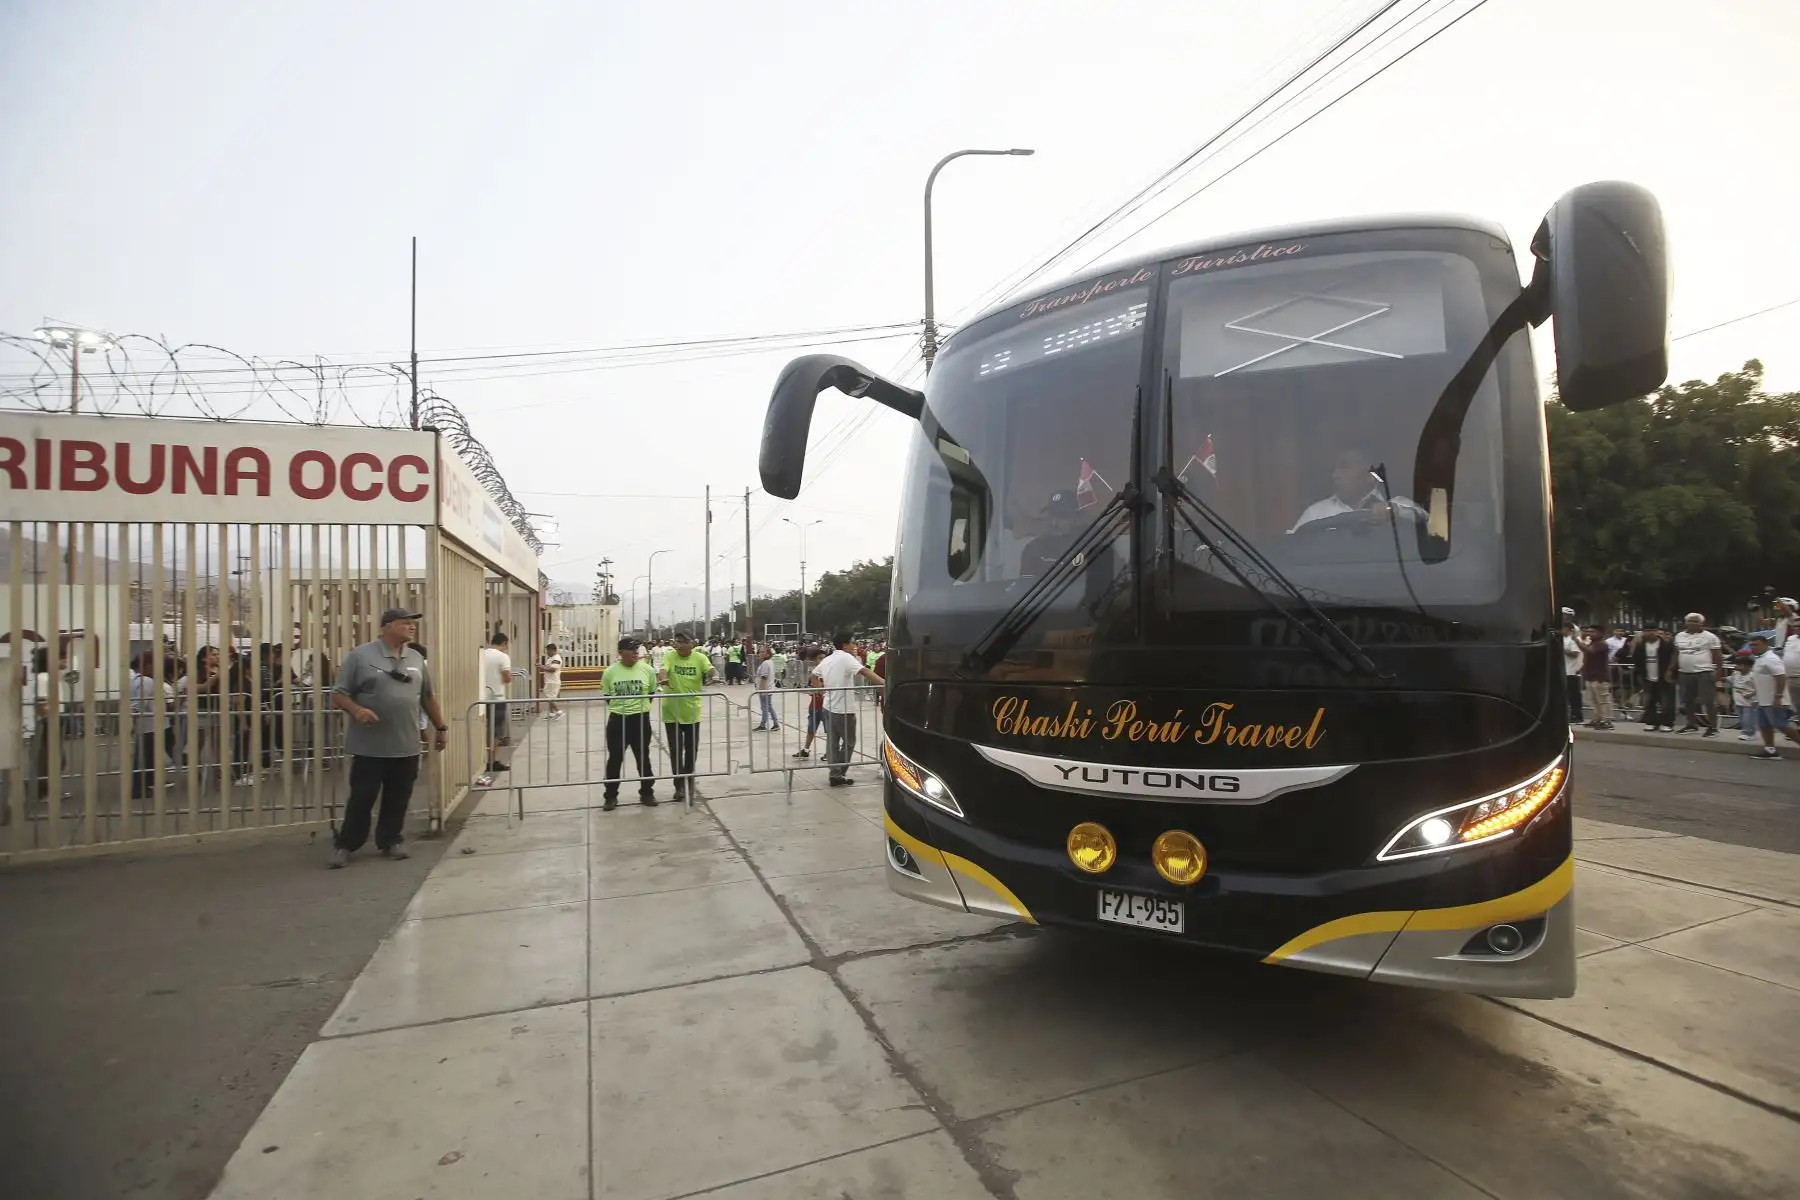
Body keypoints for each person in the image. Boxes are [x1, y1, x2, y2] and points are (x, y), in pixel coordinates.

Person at [327, 607, 448, 867]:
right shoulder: (360, 656)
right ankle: (346, 844)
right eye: (406, 623)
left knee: (399, 797)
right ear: (388, 626)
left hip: (406, 745)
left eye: (413, 623)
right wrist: (357, 710)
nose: (412, 627)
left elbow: (427, 696)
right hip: (370, 747)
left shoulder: (415, 658)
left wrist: (441, 728)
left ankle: (391, 839)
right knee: (362, 797)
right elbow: (338, 694)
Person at [1289, 449, 1424, 534]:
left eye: (1345, 467)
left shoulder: (1397, 504)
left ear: (1370, 476)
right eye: (1334, 469)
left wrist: (1396, 512)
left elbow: (1426, 522)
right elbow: (1292, 545)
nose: (1335, 475)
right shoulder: (1316, 512)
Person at [813, 630, 883, 785]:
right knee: (849, 742)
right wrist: (885, 683)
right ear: (844, 644)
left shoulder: (828, 659)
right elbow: (864, 671)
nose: (855, 645)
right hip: (843, 709)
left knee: (832, 742)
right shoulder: (846, 658)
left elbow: (813, 675)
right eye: (853, 642)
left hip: (828, 706)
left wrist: (819, 690)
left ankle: (834, 773)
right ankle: (838, 774)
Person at [600, 637, 658, 810]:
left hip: (640, 719)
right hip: (618, 720)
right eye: (631, 649)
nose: (635, 653)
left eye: (637, 649)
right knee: (615, 759)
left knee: (643, 757)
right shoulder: (610, 672)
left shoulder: (647, 670)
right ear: (620, 653)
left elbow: (651, 692)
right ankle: (610, 796)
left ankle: (647, 792)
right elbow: (608, 696)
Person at [658, 631, 717, 800]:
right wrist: (663, 678)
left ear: (692, 643)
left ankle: (689, 781)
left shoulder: (699, 657)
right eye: (677, 642)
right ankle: (679, 786)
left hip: (692, 711)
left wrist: (716, 675)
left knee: (691, 750)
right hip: (671, 712)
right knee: (675, 751)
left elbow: (710, 669)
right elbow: (663, 669)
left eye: (683, 642)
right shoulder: (670, 656)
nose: (679, 645)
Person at [128, 652, 174, 800]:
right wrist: (133, 723)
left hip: (150, 725)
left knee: (147, 758)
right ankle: (139, 789)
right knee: (144, 759)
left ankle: (146, 785)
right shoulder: (145, 682)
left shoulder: (140, 680)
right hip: (150, 726)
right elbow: (138, 704)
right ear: (148, 665)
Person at [1745, 633, 1793, 760]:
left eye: (1756, 645)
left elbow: (1781, 677)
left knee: (1782, 725)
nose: (1753, 647)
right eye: (1751, 645)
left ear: (1765, 644)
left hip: (1774, 700)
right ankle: (1770, 749)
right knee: (1764, 725)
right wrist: (1753, 693)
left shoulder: (1771, 659)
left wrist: (1778, 697)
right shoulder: (1759, 658)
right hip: (1763, 700)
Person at [1673, 613, 1723, 738]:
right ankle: (1691, 725)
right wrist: (1671, 669)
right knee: (1688, 700)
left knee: (1708, 701)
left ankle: (1713, 727)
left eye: (1695, 621)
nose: (1692, 623)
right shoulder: (1679, 636)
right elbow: (1676, 654)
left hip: (1704, 672)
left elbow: (1717, 656)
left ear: (1702, 623)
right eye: (1690, 621)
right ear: (1685, 623)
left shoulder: (1710, 637)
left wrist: (1718, 671)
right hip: (1685, 672)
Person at [480, 631, 514, 774]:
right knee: (496, 732)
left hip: (482, 699)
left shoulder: (482, 655)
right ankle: (492, 761)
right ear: (504, 643)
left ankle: (481, 761)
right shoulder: (503, 657)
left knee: (483, 730)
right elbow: (507, 678)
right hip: (497, 698)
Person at [1633, 625, 1676, 731]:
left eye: (1653, 631)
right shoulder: (1640, 646)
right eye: (1647, 631)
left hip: (1663, 677)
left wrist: (1670, 671)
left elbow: (1674, 658)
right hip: (1648, 677)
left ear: (1657, 632)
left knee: (1666, 701)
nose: (1650, 633)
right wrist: (1639, 676)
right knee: (1649, 701)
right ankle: (1651, 721)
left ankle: (1667, 723)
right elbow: (1637, 662)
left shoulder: (1666, 645)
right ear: (1643, 632)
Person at [1579, 624, 1614, 730]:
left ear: (1600, 633)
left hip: (1600, 676)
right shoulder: (1591, 643)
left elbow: (1590, 651)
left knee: (1603, 699)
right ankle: (1597, 718)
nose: (1590, 634)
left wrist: (1576, 640)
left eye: (1593, 632)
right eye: (1589, 631)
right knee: (1594, 700)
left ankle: (1607, 720)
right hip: (1590, 675)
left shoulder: (1602, 644)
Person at [1729, 651, 1761, 743]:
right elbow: (1731, 680)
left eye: (1739, 665)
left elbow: (1759, 687)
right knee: (1742, 717)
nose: (1737, 666)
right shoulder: (1735, 674)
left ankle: (1750, 733)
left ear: (1748, 666)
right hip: (1738, 700)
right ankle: (1745, 731)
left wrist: (1751, 694)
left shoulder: (1753, 676)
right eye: (1737, 664)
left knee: (1749, 718)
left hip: (1750, 701)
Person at [1561, 620, 1584, 724]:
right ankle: (1569, 715)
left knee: (1574, 695)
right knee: (1566, 696)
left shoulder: (1574, 639)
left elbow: (1575, 653)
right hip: (1564, 671)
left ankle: (1577, 715)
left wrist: (1563, 650)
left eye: (1563, 628)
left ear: (1568, 629)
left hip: (1572, 672)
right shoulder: (1562, 639)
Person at [752, 646, 779, 731]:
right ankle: (776, 724)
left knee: (764, 707)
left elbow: (764, 677)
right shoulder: (770, 662)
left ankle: (763, 725)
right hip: (768, 688)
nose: (760, 653)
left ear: (768, 654)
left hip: (765, 689)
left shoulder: (765, 663)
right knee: (769, 707)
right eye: (760, 652)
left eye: (763, 652)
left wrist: (760, 690)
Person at [539, 642, 564, 720]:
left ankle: (559, 711)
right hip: (549, 681)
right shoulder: (550, 658)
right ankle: (551, 713)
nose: (547, 652)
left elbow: (553, 669)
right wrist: (541, 666)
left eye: (548, 651)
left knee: (549, 697)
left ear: (553, 650)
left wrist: (542, 668)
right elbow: (548, 667)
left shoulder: (557, 658)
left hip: (553, 681)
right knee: (550, 697)